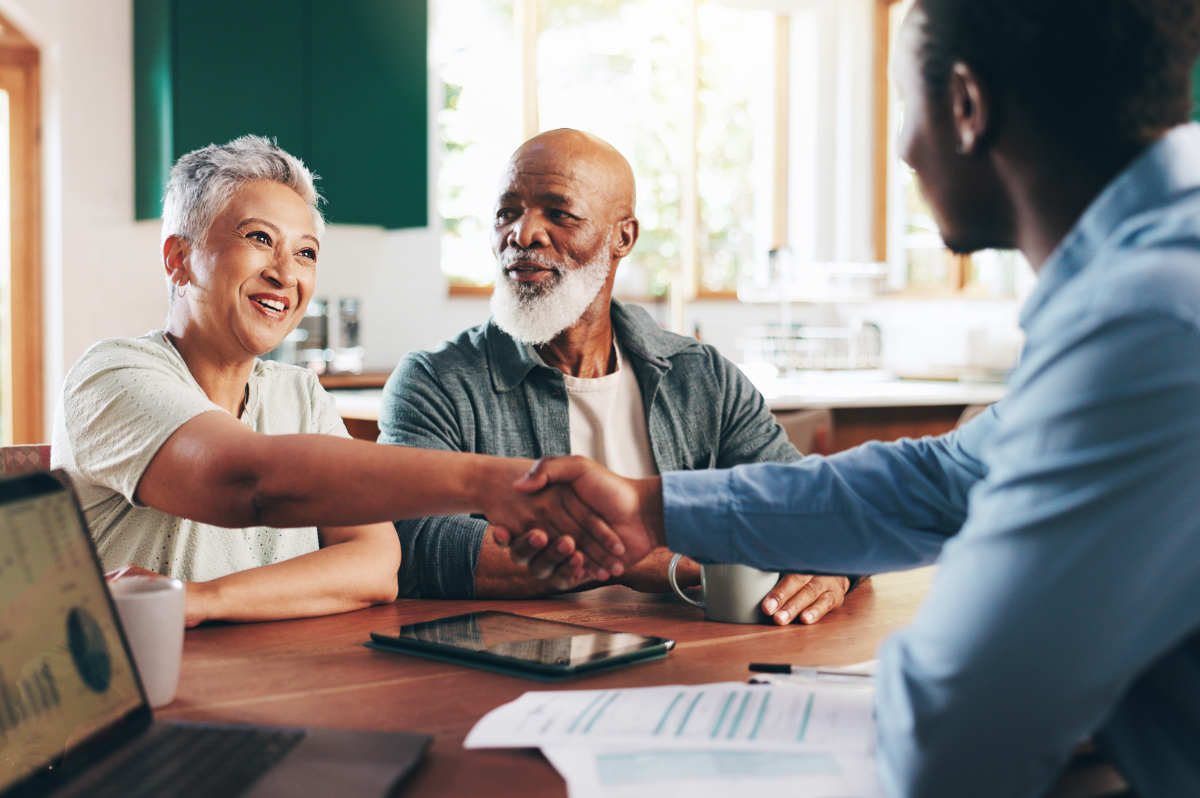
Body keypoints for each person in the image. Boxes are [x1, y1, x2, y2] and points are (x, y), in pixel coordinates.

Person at [500, 1, 1200, 796]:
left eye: (906, 106)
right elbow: (935, 481)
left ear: (967, 107)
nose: (903, 148)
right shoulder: (1155, 283)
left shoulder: (1152, 324)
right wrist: (648, 507)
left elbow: (958, 732)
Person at [52, 135, 616, 629]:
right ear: (179, 257)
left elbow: (374, 564)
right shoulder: (112, 376)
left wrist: (203, 600)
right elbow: (245, 481)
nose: (285, 273)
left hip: (279, 690)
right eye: (257, 238)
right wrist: (488, 482)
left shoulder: (298, 394)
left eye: (305, 253)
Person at [379, 129, 858, 624]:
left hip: (694, 663)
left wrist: (834, 566)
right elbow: (414, 541)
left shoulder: (704, 378)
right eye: (507, 212)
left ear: (622, 238)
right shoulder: (434, 381)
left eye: (558, 213)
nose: (522, 234)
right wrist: (626, 559)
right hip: (515, 671)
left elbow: (813, 506)